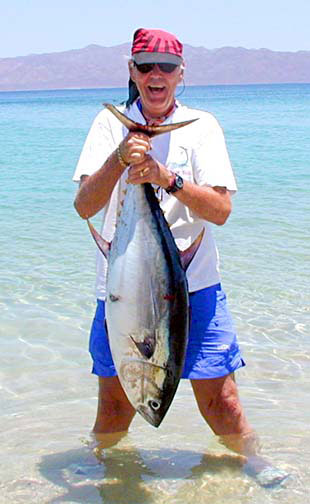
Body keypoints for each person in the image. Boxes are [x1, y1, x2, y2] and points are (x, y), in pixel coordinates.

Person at [73, 28, 288, 487]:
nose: (156, 75)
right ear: (131, 71)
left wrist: (164, 178)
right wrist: (121, 158)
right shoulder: (109, 125)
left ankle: (253, 461)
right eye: (146, 65)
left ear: (180, 74)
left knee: (222, 398)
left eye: (165, 67)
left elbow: (222, 210)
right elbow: (84, 206)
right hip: (122, 289)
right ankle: (99, 465)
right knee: (113, 400)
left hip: (196, 285)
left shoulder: (201, 126)